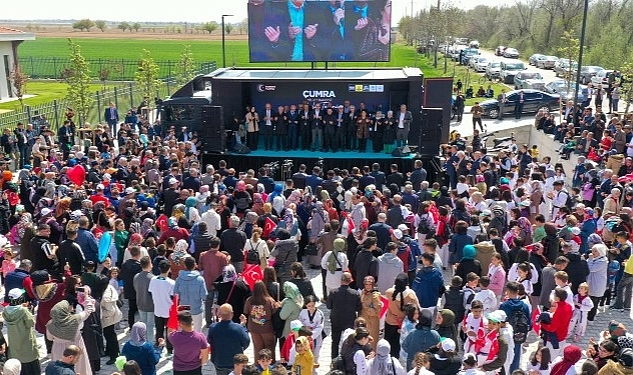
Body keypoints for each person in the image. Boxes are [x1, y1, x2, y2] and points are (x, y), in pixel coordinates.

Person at [46, 300, 93, 375]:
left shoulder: (50, 324)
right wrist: (87, 299)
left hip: (59, 349)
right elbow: (87, 311)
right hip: (76, 348)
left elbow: (49, 338)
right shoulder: (75, 319)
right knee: (80, 367)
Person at [3, 288, 40, 375]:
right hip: (26, 343)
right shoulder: (23, 310)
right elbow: (30, 323)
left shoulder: (6, 310)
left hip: (14, 343)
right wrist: (29, 310)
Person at [207, 304, 250, 375]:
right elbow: (246, 342)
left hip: (219, 361)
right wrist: (243, 326)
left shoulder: (213, 327)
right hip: (235, 362)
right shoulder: (239, 328)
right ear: (232, 313)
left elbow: (209, 341)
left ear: (220, 314)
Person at [327, 272, 362, 358]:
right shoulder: (355, 294)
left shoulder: (333, 292)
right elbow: (359, 308)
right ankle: (347, 358)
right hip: (349, 320)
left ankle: (334, 360)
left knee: (335, 341)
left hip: (336, 320)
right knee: (349, 341)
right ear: (350, 281)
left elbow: (328, 306)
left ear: (341, 280)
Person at [385, 273, 420, 358]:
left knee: (389, 341)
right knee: (399, 343)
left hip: (390, 320)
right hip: (404, 323)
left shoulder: (389, 292)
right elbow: (417, 307)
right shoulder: (411, 295)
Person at [168, 311, 210, 375]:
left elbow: (170, 331)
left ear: (180, 324)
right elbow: (205, 357)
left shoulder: (174, 337)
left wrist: (173, 318)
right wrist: (199, 363)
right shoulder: (200, 337)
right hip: (195, 369)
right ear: (191, 321)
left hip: (179, 370)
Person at [174, 256, 208, 333]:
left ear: (185, 265)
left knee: (183, 333)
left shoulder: (179, 279)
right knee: (197, 332)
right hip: (196, 309)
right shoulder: (200, 279)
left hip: (183, 309)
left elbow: (175, 294)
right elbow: (204, 296)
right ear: (195, 265)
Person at [133, 256, 155, 341]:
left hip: (140, 303)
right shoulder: (152, 278)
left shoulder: (136, 276)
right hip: (150, 305)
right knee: (150, 326)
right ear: (149, 264)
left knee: (143, 324)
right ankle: (150, 344)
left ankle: (143, 341)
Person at [360, 275, 383, 351]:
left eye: (370, 284)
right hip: (363, 320)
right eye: (366, 284)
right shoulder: (363, 292)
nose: (368, 286)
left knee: (371, 343)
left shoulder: (375, 295)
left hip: (372, 322)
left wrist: (366, 307)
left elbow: (377, 311)